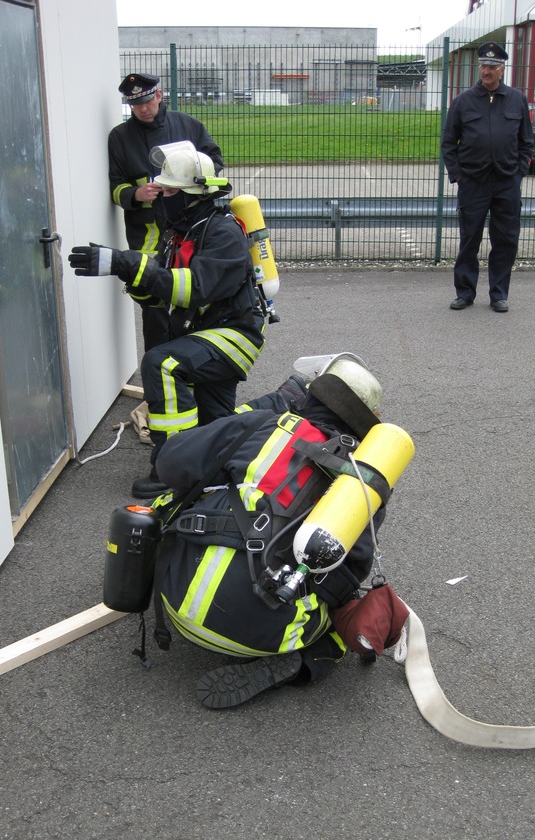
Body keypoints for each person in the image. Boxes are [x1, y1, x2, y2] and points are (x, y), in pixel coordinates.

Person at [145, 353, 409, 709]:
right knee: (340, 617)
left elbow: (170, 464)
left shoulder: (260, 424)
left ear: (310, 397)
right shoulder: (360, 485)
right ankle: (304, 659)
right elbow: (349, 572)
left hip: (173, 598)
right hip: (264, 633)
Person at [69, 141, 266, 498]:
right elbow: (159, 287)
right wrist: (123, 270)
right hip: (209, 334)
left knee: (162, 363)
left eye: (170, 190)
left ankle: (174, 468)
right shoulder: (182, 233)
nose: (161, 197)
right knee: (215, 425)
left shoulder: (222, 233)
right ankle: (217, 468)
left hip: (233, 336)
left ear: (194, 194)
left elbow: (194, 288)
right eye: (161, 189)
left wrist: (130, 264)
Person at [109, 73, 224, 351]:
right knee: (154, 309)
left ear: (159, 95)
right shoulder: (120, 137)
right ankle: (157, 378)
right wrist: (135, 194)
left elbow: (214, 163)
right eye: (136, 104)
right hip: (148, 238)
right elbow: (114, 186)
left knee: (194, 302)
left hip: (189, 232)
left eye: (147, 100)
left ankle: (192, 372)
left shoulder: (188, 126)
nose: (143, 108)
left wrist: (186, 184)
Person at [441, 42, 534, 313]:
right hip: (473, 182)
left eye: (492, 67)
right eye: (483, 66)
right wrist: (458, 174)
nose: (486, 71)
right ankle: (465, 292)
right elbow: (449, 143)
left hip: (507, 182)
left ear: (502, 69)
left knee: (505, 240)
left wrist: (519, 172)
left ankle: (498, 295)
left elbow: (526, 142)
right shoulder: (463, 102)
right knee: (470, 239)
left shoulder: (517, 100)